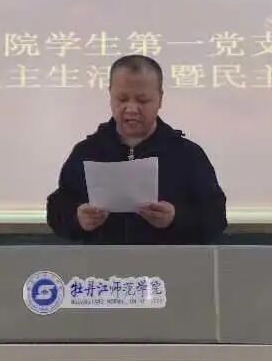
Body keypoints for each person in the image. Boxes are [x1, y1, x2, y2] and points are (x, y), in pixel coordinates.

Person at [46, 55, 227, 244]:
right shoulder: (87, 152)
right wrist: (78, 219)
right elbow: (57, 211)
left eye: (142, 100)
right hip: (103, 261)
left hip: (167, 261)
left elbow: (216, 218)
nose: (131, 108)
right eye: (122, 99)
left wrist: (175, 218)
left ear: (160, 99)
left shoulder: (187, 155)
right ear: (110, 96)